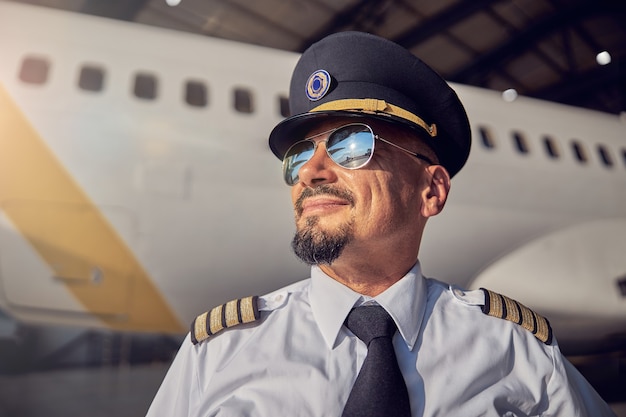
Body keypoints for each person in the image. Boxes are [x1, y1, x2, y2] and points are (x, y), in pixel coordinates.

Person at [146, 31, 616, 416]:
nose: (310, 172)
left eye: (352, 144)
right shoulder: (218, 352)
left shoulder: (518, 350)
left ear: (431, 191)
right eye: (301, 154)